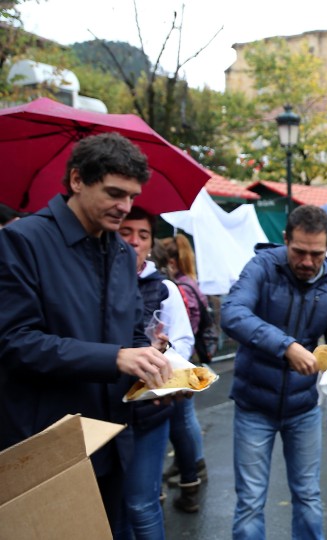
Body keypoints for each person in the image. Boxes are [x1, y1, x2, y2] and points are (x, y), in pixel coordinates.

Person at [0, 132, 172, 537]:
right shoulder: (21, 241)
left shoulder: (122, 252)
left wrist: (155, 364)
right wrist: (114, 358)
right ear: (77, 180)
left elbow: (129, 333)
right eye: (114, 193)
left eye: (131, 196)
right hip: (45, 442)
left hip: (111, 439)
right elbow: (14, 341)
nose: (125, 207)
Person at [220, 205, 327, 539]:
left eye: (316, 253)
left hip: (304, 409)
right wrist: (286, 346)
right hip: (254, 405)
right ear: (285, 239)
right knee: (251, 502)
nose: (307, 262)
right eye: (299, 251)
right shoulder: (261, 267)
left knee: (309, 495)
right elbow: (233, 313)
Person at [118, 208, 198, 536]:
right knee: (112, 504)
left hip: (148, 410)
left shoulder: (162, 288)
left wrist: (163, 351)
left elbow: (183, 343)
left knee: (141, 503)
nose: (134, 242)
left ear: (151, 243)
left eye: (143, 235)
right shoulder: (93, 283)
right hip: (101, 410)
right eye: (126, 233)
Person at [156, 235, 209, 492]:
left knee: (182, 420)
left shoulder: (178, 288)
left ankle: (192, 469)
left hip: (181, 359)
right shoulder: (189, 283)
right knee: (185, 419)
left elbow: (184, 329)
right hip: (187, 357)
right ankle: (190, 466)